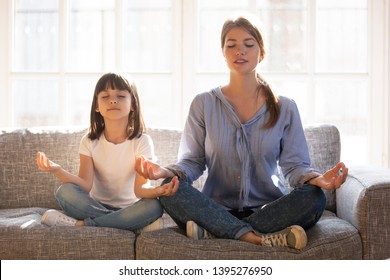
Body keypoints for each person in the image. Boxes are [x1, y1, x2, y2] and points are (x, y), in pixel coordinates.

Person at [135, 16, 348, 249]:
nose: (240, 51)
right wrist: (163, 171)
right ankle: (255, 236)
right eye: (232, 45)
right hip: (214, 208)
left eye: (249, 44)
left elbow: (294, 166)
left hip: (270, 209)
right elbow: (193, 162)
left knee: (314, 198)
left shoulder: (286, 107)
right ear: (223, 52)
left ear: (261, 52)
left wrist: (318, 179)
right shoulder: (203, 103)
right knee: (169, 187)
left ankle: (217, 231)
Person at [37, 72, 178, 232]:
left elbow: (140, 190)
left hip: (133, 207)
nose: (113, 100)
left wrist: (158, 191)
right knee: (65, 192)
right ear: (96, 106)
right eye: (105, 96)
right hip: (96, 206)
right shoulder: (89, 141)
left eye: (120, 96)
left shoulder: (142, 141)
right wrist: (58, 171)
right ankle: (130, 224)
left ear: (133, 104)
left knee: (154, 206)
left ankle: (83, 224)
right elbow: (85, 185)